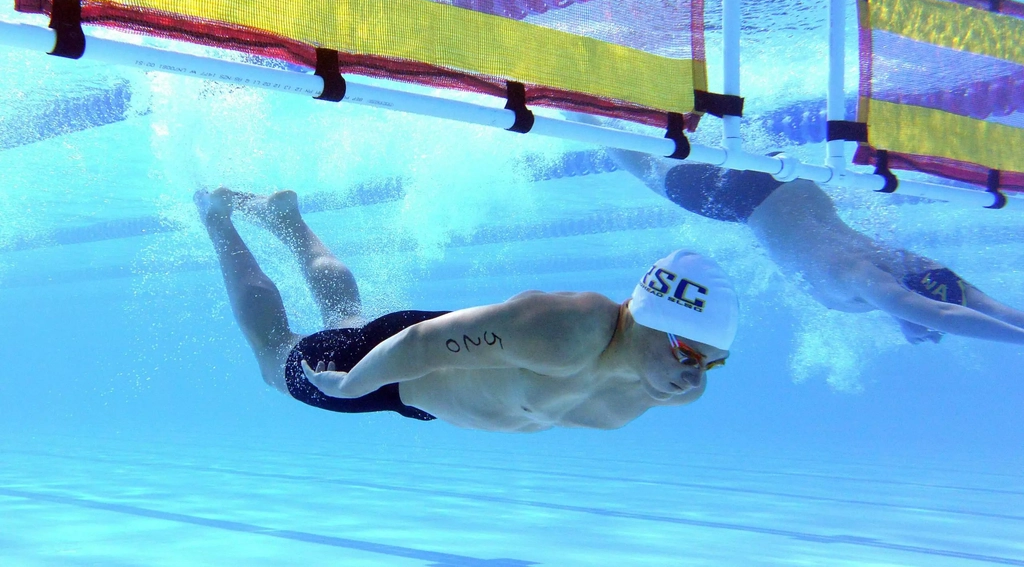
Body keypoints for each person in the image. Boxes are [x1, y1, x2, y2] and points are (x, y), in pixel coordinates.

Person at [194, 187, 737, 431]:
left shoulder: (665, 386)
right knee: (273, 359)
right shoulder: (570, 328)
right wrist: (354, 383)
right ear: (647, 317)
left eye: (711, 366)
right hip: (389, 371)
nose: (694, 381)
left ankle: (286, 219)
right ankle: (218, 218)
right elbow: (420, 343)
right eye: (689, 354)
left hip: (426, 396)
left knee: (345, 314)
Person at [608, 150, 1024, 345]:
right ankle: (588, 120)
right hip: (742, 201)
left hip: (789, 175)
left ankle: (599, 117)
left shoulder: (900, 265)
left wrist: (906, 321)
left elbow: (979, 308)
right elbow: (945, 312)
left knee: (663, 161)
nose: (921, 321)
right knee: (649, 171)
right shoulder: (865, 276)